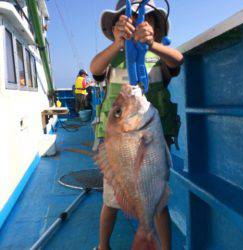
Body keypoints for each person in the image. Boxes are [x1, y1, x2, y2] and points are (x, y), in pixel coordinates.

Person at [90, 1, 184, 249]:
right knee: (110, 200)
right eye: (128, 18)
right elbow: (95, 68)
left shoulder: (159, 54)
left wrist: (152, 44)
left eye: (146, 18)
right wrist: (117, 44)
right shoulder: (112, 57)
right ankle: (103, 246)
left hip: (149, 139)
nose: (138, 23)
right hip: (117, 144)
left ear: (156, 27)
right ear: (116, 26)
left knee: (157, 201)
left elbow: (177, 60)